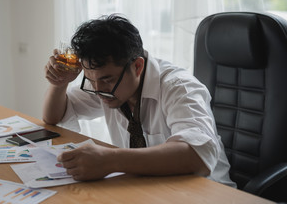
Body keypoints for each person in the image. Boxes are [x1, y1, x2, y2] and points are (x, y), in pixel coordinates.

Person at [43, 14, 235, 187]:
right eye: (91, 80)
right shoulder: (106, 86)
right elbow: (54, 117)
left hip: (206, 193)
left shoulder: (179, 88)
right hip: (152, 188)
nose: (99, 91)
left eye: (106, 80)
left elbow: (198, 155)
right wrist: (60, 83)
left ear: (137, 66)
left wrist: (110, 160)